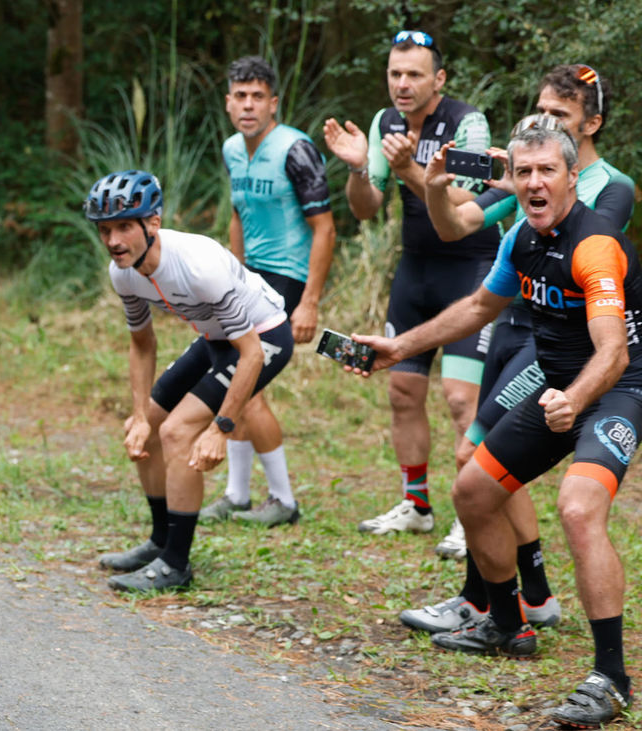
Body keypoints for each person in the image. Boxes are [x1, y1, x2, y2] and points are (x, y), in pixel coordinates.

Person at [346, 123, 642, 728]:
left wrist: (573, 398)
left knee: (577, 506)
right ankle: (507, 625)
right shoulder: (520, 237)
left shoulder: (594, 245)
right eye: (524, 172)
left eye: (547, 171)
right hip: (558, 387)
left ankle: (611, 679)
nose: (535, 183)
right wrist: (397, 348)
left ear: (572, 177)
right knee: (473, 489)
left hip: (619, 388)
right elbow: (477, 308)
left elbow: (614, 353)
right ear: (510, 178)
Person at [402, 65, 634, 638]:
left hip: (553, 342)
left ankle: (497, 601)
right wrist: (427, 182)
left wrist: (525, 185)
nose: (543, 120)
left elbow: (576, 250)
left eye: (559, 114)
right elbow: (458, 225)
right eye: (539, 109)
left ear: (591, 123)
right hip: (508, 324)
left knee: (474, 461)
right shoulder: (528, 171)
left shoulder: (608, 186)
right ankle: (522, 598)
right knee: (486, 470)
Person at [323, 30, 499, 537]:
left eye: (414, 74)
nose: (402, 84)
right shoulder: (385, 122)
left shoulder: (467, 123)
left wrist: (410, 168)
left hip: (471, 268)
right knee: (402, 390)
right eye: (395, 74)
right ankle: (416, 505)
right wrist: (361, 168)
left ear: (438, 79)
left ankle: (476, 513)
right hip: (416, 268)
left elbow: (465, 206)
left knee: (463, 399)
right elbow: (366, 209)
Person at [86, 169, 294, 591]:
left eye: (125, 226)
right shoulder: (122, 273)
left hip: (264, 337)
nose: (114, 241)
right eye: (105, 230)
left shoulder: (199, 265)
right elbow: (142, 344)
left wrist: (222, 427)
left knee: (180, 431)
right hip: (215, 337)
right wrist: (140, 413)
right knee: (146, 431)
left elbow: (252, 353)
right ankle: (160, 543)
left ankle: (176, 565)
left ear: (154, 223)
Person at [198, 55, 335, 528]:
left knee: (246, 384)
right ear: (228, 103)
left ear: (273, 103)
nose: (248, 105)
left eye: (258, 97)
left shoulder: (295, 149)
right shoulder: (232, 149)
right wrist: (229, 276)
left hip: (288, 278)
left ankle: (283, 500)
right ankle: (237, 494)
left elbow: (325, 229)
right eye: (240, 96)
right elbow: (238, 213)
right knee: (230, 378)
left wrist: (310, 302)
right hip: (248, 275)